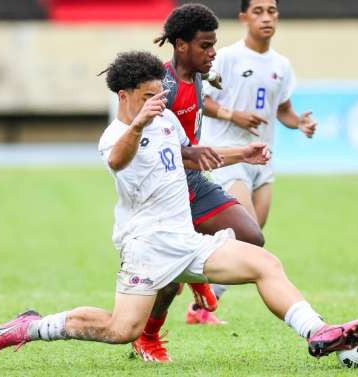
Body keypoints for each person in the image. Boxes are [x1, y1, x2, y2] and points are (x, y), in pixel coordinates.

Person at [0, 51, 358, 364]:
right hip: (146, 248)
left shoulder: (165, 118)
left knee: (265, 263)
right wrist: (137, 127)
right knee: (122, 330)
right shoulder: (114, 136)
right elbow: (118, 161)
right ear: (124, 96)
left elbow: (187, 155)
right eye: (149, 95)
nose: (158, 101)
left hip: (186, 239)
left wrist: (241, 153)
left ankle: (318, 331)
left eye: (159, 94)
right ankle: (31, 326)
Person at [132, 3, 271, 363]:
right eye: (205, 46)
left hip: (192, 179)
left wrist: (230, 134)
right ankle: (148, 336)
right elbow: (144, 147)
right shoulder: (159, 88)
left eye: (213, 45)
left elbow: (203, 101)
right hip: (161, 188)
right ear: (181, 45)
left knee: (252, 236)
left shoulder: (196, 73)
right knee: (169, 279)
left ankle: (197, 272)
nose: (213, 53)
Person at [199, 0, 318, 315]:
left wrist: (300, 122)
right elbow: (201, 98)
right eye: (258, 11)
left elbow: (284, 111)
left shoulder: (281, 65)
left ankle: (203, 301)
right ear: (243, 18)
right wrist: (232, 115)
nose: (266, 17)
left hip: (262, 159)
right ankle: (196, 278)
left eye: (272, 11)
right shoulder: (226, 57)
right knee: (247, 231)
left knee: (251, 237)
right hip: (229, 155)